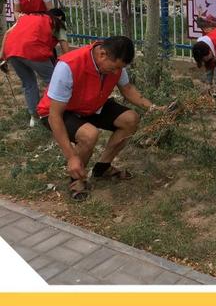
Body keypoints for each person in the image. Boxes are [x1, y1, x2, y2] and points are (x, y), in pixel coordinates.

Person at [36, 36, 157, 201]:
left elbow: (127, 89)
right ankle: (76, 180)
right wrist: (71, 157)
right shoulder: (68, 65)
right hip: (57, 112)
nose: (116, 73)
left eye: (119, 69)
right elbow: (54, 115)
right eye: (114, 68)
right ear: (102, 54)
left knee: (131, 119)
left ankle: (102, 168)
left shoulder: (115, 62)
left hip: (90, 106)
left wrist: (154, 108)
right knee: (89, 135)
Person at [0, 10, 69, 127]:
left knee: (28, 83)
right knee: (54, 81)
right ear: (60, 17)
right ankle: (57, 113)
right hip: (33, 50)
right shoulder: (57, 22)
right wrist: (68, 64)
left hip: (11, 51)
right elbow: (64, 47)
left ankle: (34, 117)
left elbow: (7, 33)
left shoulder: (27, 17)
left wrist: (2, 57)